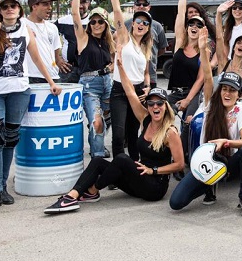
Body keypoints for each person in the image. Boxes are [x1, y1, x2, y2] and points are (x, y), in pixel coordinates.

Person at [44, 51, 184, 213]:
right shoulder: (146, 120)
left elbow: (179, 164)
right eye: (151, 104)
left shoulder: (170, 132)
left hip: (154, 187)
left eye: (159, 103)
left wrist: (153, 170)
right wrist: (120, 67)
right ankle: (71, 196)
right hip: (138, 179)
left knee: (122, 158)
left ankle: (92, 190)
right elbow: (130, 92)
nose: (155, 107)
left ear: (165, 106)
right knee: (98, 161)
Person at [0, 0, 60, 213]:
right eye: (5, 6)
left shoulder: (26, 29)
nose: (9, 9)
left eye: (13, 5)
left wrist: (51, 81)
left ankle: (2, 187)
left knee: (10, 138)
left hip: (19, 91)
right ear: (0, 11)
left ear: (19, 9)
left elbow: (36, 58)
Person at [169, 27, 242, 217]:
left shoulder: (240, 109)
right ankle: (208, 185)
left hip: (228, 161)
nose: (227, 93)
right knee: (176, 203)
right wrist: (202, 50)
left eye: (232, 90)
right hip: (207, 161)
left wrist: (224, 143)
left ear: (238, 94)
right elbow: (208, 77)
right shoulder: (211, 103)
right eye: (224, 89)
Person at [104, 0, 152, 161]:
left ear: (148, 28)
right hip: (119, 90)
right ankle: (117, 170)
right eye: (138, 21)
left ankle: (133, 166)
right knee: (118, 135)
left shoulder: (146, 47)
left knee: (134, 135)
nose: (141, 24)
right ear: (133, 23)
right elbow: (116, 11)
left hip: (138, 91)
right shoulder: (124, 38)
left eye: (145, 23)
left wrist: (148, 87)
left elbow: (146, 72)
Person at [71, 0, 114, 160]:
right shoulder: (83, 38)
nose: (97, 24)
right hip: (90, 86)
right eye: (93, 21)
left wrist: (111, 66)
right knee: (96, 122)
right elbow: (74, 14)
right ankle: (97, 158)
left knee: (105, 121)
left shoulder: (107, 41)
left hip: (108, 84)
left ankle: (96, 146)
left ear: (105, 24)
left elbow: (115, 58)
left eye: (101, 22)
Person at [6, 0, 61, 85]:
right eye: (45, 4)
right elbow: (8, 3)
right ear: (34, 6)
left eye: (50, 4)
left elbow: (56, 52)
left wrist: (59, 62)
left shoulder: (52, 27)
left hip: (53, 76)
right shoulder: (22, 24)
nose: (50, 8)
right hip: (32, 76)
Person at [126, 0, 168, 88]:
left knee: (150, 102)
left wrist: (148, 55)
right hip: (129, 76)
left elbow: (162, 49)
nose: (141, 6)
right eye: (138, 4)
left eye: (144, 4)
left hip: (150, 75)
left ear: (149, 7)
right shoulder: (126, 25)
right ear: (134, 7)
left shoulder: (157, 26)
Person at [55, 0, 90, 83]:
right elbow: (48, 38)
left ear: (89, 3)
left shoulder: (94, 21)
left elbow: (111, 37)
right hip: (67, 69)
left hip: (89, 69)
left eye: (83, 2)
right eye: (77, 2)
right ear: (72, 3)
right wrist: (57, 59)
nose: (80, 5)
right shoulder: (62, 21)